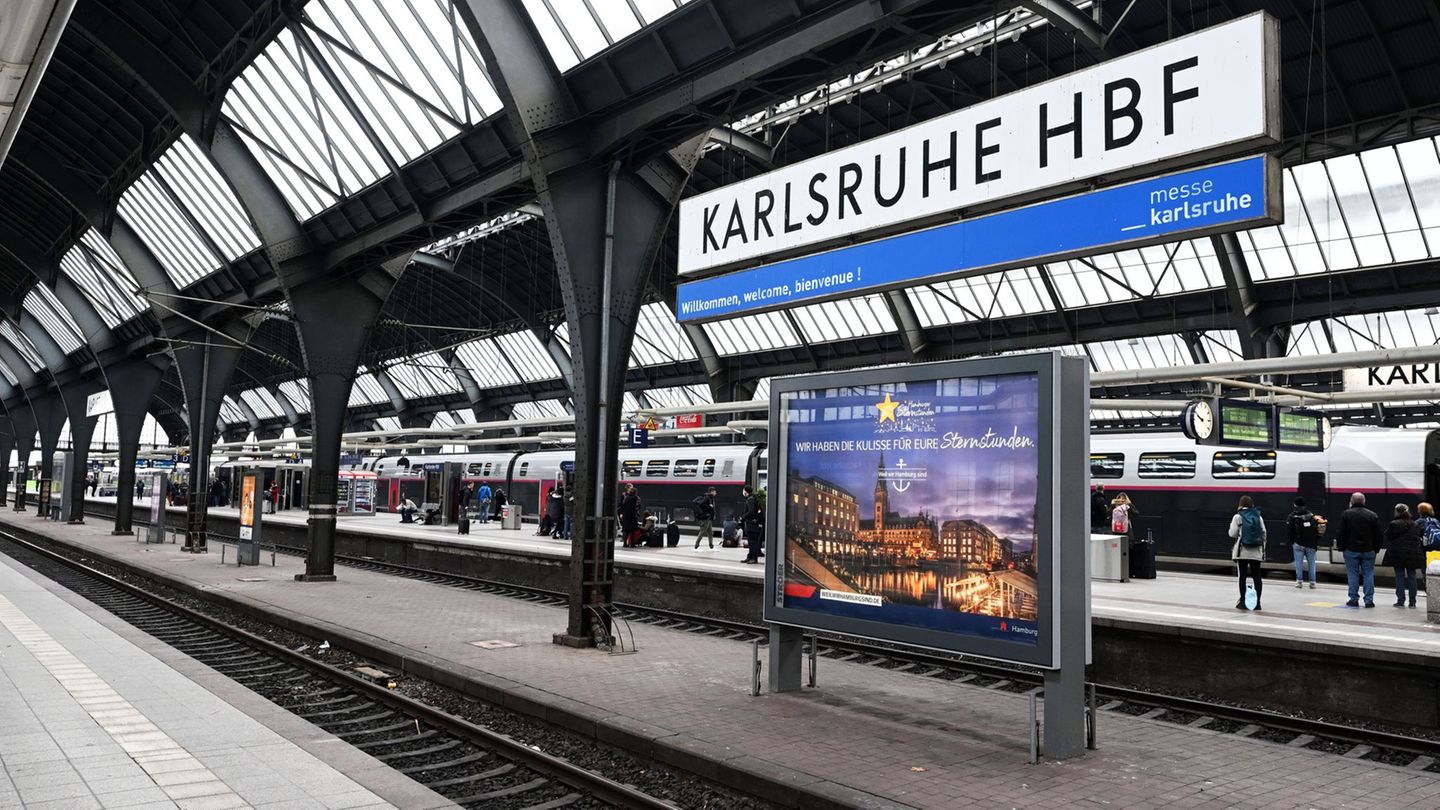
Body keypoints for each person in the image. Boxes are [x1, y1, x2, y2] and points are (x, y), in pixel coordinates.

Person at [1334, 491, 1382, 608]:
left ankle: (1353, 599)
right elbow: (1378, 534)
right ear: (1364, 501)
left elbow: (1341, 533)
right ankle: (1369, 600)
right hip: (1369, 550)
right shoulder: (1372, 515)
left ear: (1351, 501)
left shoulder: (1346, 514)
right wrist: (1376, 548)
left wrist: (1341, 547)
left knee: (1352, 574)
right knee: (1369, 574)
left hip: (1351, 550)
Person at [1383, 503, 1425, 608]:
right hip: (1412, 554)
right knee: (1412, 576)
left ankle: (1400, 601)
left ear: (1397, 512)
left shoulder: (1394, 524)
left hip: (1398, 554)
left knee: (1399, 576)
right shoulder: (1415, 524)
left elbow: (1388, 535)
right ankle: (1412, 602)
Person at [1229, 495, 1266, 611]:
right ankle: (1258, 603)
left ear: (1240, 504)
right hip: (1256, 552)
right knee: (1257, 577)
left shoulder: (1237, 517)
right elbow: (1264, 533)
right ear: (1251, 504)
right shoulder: (1258, 517)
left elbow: (1232, 534)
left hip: (1242, 552)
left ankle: (1243, 602)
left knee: (1242, 577)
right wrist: (1262, 550)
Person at [1286, 497, 1321, 589]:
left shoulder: (1292, 516)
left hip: (1298, 543)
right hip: (1311, 544)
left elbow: (1289, 531)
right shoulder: (1312, 515)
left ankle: (1299, 582)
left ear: (1295, 505)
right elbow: (1318, 530)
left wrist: (1292, 542)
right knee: (1312, 563)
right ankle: (1312, 583)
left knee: (1298, 563)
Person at [741, 485, 764, 564]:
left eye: (743, 490)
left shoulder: (751, 500)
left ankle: (754, 558)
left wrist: (743, 517)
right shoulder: (752, 498)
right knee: (751, 541)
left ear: (746, 492)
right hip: (752, 523)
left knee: (753, 541)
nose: (743, 492)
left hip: (752, 523)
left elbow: (751, 511)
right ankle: (750, 556)